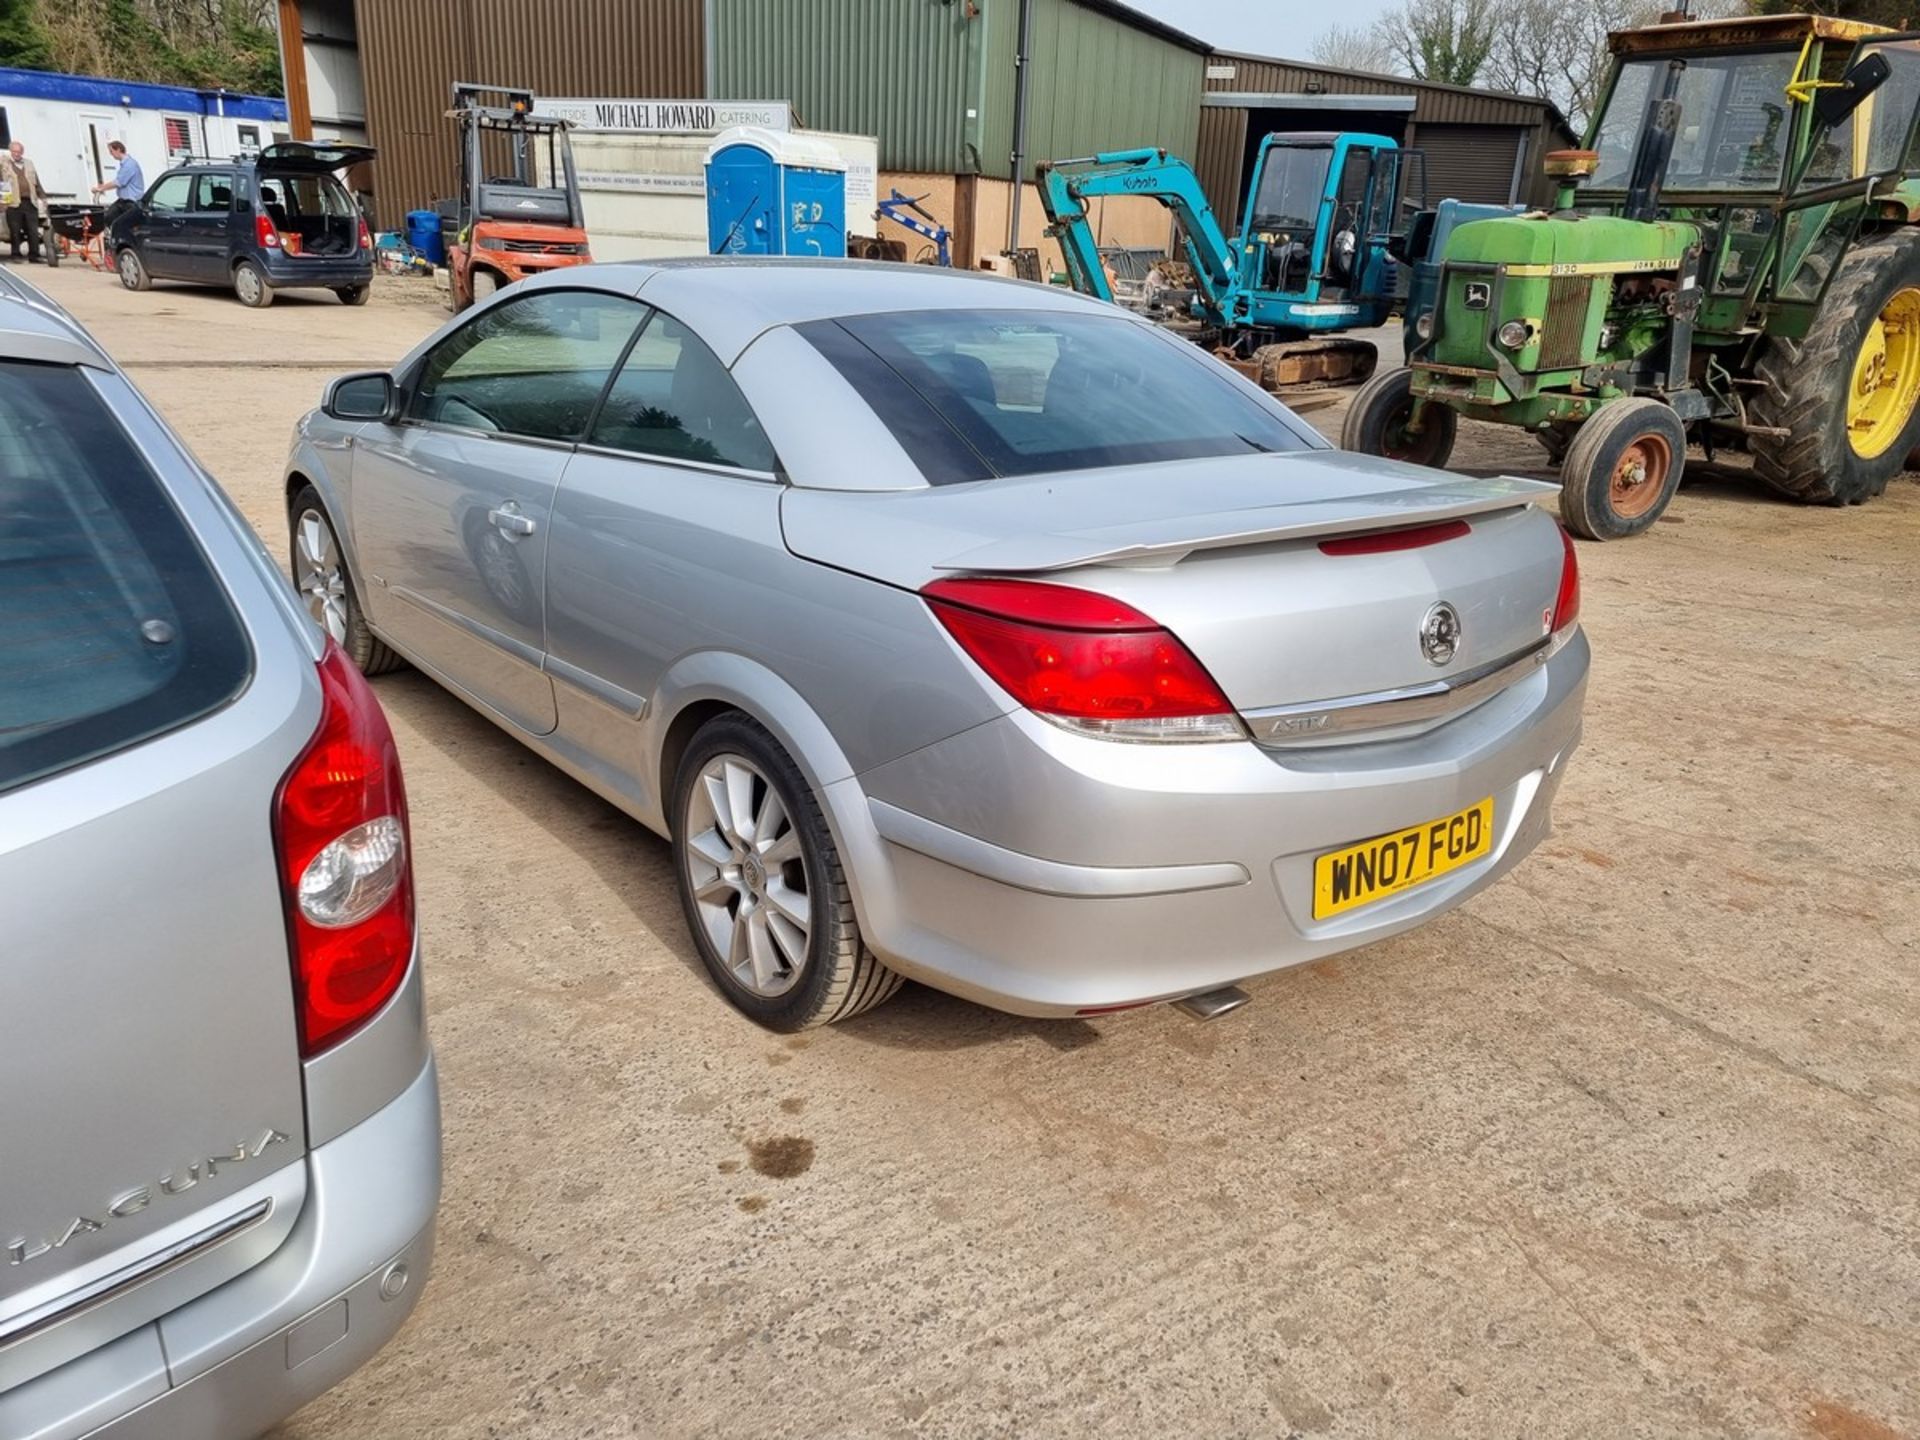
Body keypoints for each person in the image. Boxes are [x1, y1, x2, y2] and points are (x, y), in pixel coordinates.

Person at [4, 141, 53, 266]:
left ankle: (34, 255)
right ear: (10, 151)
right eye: (14, 151)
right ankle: (16, 255)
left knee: (32, 230)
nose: (17, 154)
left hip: (30, 201)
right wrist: (3, 202)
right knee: (14, 231)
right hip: (13, 203)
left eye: (19, 152)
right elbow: (2, 183)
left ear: (22, 152)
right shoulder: (4, 164)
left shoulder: (29, 164)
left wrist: (43, 197)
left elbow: (37, 182)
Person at [91, 140, 144, 249]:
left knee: (124, 225)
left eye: (111, 151)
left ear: (118, 149)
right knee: (107, 217)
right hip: (123, 200)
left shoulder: (129, 165)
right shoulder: (125, 164)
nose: (111, 154)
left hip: (131, 202)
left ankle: (125, 247)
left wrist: (100, 188)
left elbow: (119, 182)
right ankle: (111, 244)